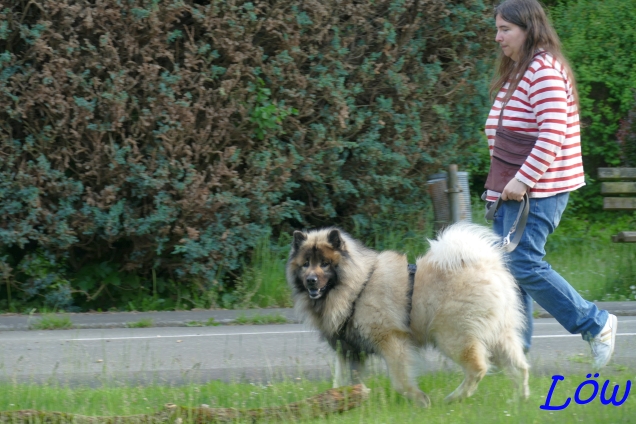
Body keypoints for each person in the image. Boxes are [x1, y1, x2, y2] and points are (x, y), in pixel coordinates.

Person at [484, 0, 617, 369]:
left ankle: (596, 323)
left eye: (505, 29)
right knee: (510, 269)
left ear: (528, 28)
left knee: (524, 264)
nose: (498, 38)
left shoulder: (542, 70)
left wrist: (522, 180)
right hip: (512, 189)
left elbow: (553, 133)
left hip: (538, 190)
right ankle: (514, 354)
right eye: (497, 29)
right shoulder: (519, 70)